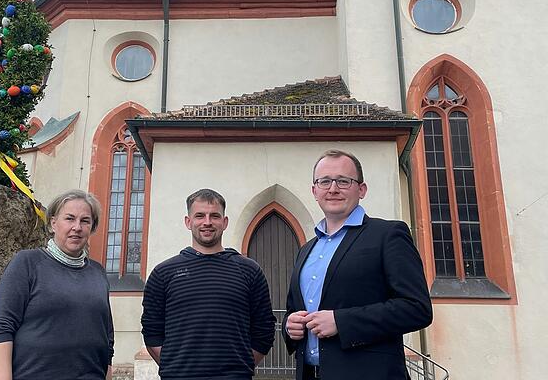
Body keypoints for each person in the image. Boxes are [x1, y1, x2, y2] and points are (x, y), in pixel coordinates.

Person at [283, 150, 433, 380]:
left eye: (343, 181)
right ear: (315, 191)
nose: (333, 188)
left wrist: (342, 322)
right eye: (324, 181)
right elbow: (295, 310)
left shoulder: (388, 235)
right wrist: (289, 326)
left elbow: (417, 309)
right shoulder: (306, 249)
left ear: (361, 190)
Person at [141, 188, 276, 380]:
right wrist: (175, 366)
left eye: (214, 216)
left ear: (224, 222)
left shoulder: (249, 271)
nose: (207, 222)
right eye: (199, 216)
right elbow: (151, 330)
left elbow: (264, 329)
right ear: (188, 222)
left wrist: (241, 366)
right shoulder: (164, 273)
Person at [0, 189, 114, 380]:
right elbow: (1, 328)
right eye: (69, 219)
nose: (77, 227)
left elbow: (107, 338)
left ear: (92, 228)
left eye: (85, 221)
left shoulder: (98, 273)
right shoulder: (27, 263)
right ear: (53, 223)